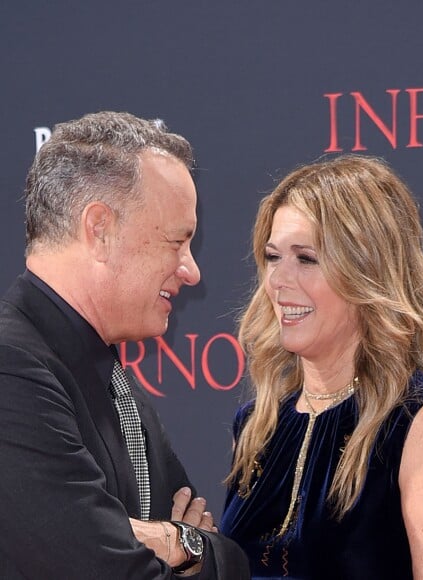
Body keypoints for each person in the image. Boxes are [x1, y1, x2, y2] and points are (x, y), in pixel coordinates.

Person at [220, 154, 423, 579]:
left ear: (367, 271)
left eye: (306, 259)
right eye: (273, 257)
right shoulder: (258, 424)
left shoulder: (421, 422)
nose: (277, 281)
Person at [0, 111, 249, 579]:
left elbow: (230, 562)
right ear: (100, 230)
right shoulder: (11, 373)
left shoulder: (115, 384)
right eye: (176, 242)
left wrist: (177, 541)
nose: (191, 270)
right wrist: (189, 554)